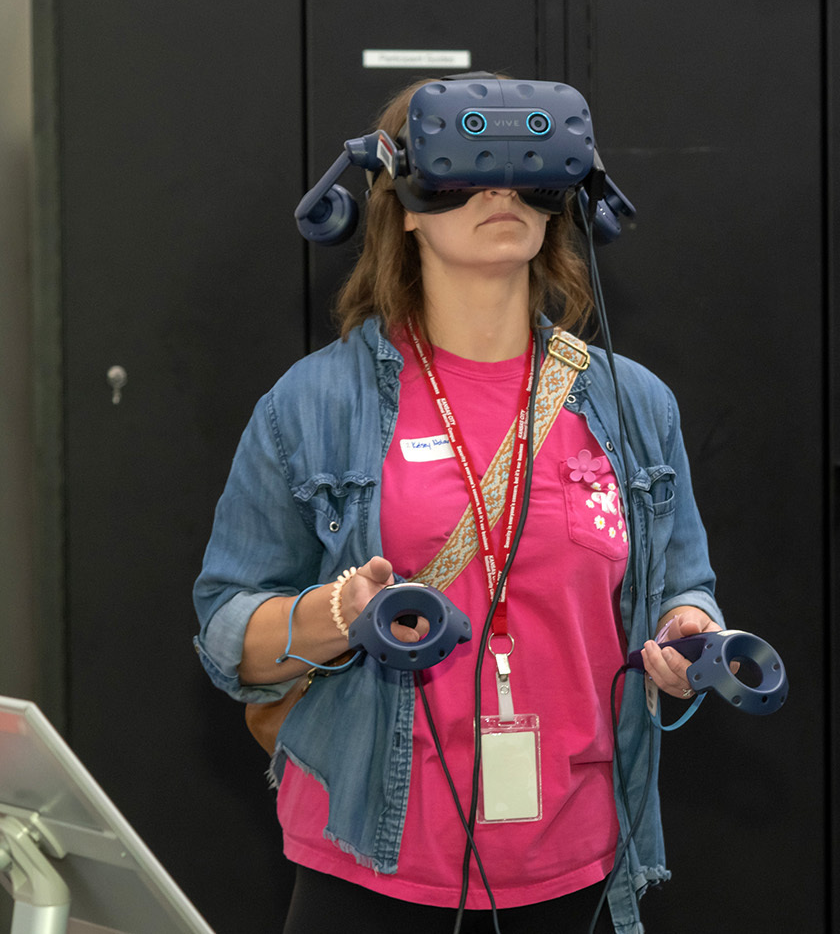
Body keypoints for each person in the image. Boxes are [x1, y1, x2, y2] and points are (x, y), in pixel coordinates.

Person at [192, 78, 722, 934]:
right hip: (374, 863)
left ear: (565, 199)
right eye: (463, 171)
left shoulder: (631, 404)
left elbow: (682, 580)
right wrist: (338, 611)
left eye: (528, 172)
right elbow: (226, 632)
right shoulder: (313, 406)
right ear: (401, 202)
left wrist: (690, 627)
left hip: (578, 865)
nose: (499, 195)